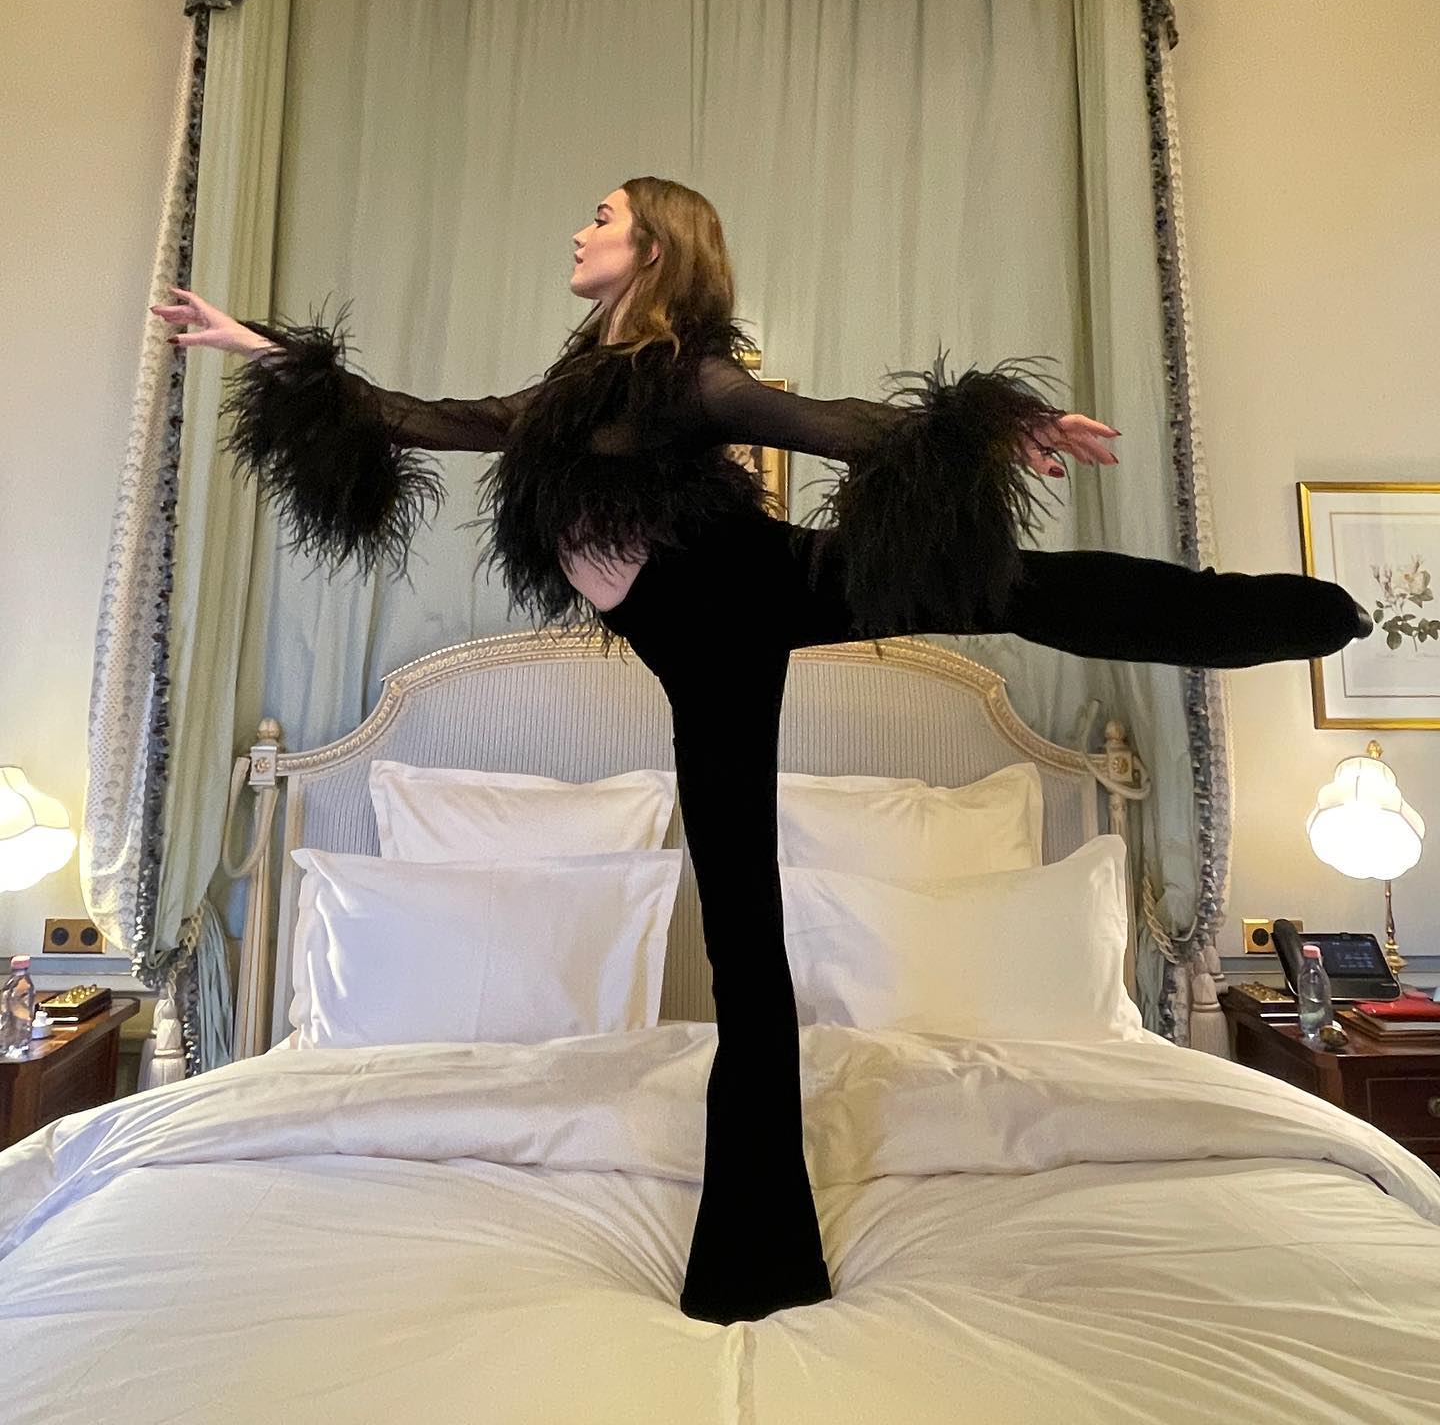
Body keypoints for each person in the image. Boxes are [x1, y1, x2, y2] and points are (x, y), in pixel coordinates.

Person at [152, 175, 1370, 1325]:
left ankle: (1278, 615)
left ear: (654, 246)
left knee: (1011, 591)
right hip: (693, 641)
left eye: (601, 216)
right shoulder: (573, 394)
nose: (580, 231)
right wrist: (262, 348)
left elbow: (832, 424)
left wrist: (1006, 426)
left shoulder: (691, 376)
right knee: (747, 929)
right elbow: (431, 418)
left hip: (749, 595)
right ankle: (763, 1250)